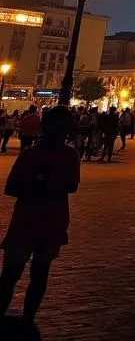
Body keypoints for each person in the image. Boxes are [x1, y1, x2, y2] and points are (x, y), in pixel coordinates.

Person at [0, 106, 80, 322]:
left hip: (46, 223)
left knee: (34, 273)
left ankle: (28, 318)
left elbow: (72, 185)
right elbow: (12, 187)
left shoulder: (69, 154)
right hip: (31, 223)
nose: (60, 133)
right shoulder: (32, 155)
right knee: (14, 275)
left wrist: (44, 184)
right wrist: (43, 185)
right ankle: (24, 319)